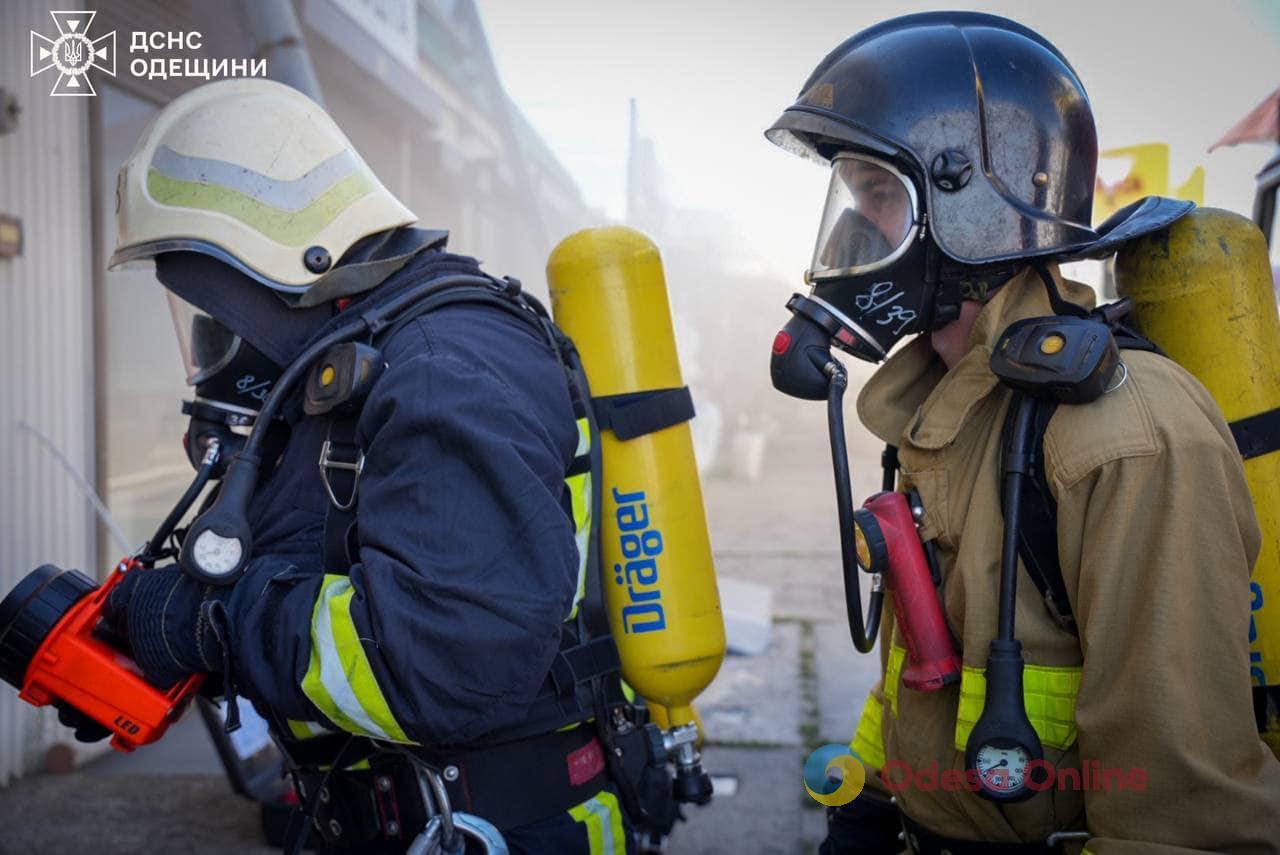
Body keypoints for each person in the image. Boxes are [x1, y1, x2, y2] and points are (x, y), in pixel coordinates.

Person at [68, 77, 660, 854]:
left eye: (216, 311)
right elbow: (334, 580)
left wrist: (210, 625)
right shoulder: (366, 358)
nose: (212, 351)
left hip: (496, 830)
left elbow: (444, 661)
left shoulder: (448, 366)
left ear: (279, 267)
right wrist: (148, 643)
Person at [765, 12, 1280, 854]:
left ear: (972, 205)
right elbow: (925, 664)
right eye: (850, 199)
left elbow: (1184, 818)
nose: (855, 235)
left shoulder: (1126, 436)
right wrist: (868, 796)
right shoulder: (945, 411)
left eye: (881, 195)